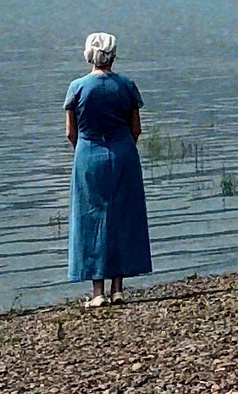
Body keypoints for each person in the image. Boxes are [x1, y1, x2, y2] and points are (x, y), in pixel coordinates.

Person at [64, 32, 151, 307]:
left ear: (89, 55)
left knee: (91, 218)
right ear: (113, 55)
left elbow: (70, 132)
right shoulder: (127, 86)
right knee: (122, 216)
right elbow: (135, 128)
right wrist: (123, 144)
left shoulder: (77, 87)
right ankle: (118, 288)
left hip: (88, 155)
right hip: (123, 153)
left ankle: (97, 292)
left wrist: (85, 149)